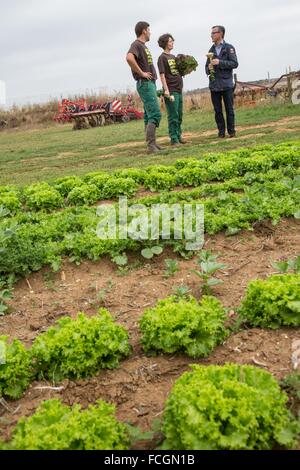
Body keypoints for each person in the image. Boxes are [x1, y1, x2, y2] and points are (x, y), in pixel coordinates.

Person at [126, 21, 162, 153]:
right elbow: (129, 58)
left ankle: (152, 144)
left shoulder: (143, 46)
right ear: (144, 31)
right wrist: (141, 73)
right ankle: (151, 145)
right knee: (156, 114)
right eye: (149, 30)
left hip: (149, 83)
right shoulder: (136, 45)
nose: (150, 32)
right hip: (145, 83)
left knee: (148, 115)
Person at [205, 25, 238, 138]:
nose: (211, 35)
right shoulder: (211, 50)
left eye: (214, 33)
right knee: (217, 111)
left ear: (221, 34)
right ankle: (221, 132)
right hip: (214, 86)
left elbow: (234, 64)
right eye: (212, 33)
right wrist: (208, 68)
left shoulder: (229, 48)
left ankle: (232, 131)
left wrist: (220, 62)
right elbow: (206, 69)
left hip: (226, 84)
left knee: (229, 109)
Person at [157, 33, 187, 146]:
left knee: (179, 115)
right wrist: (166, 90)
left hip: (179, 89)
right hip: (171, 90)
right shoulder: (162, 58)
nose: (172, 42)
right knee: (173, 115)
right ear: (165, 43)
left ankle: (179, 136)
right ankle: (173, 139)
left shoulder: (173, 57)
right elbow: (162, 75)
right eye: (170, 41)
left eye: (172, 41)